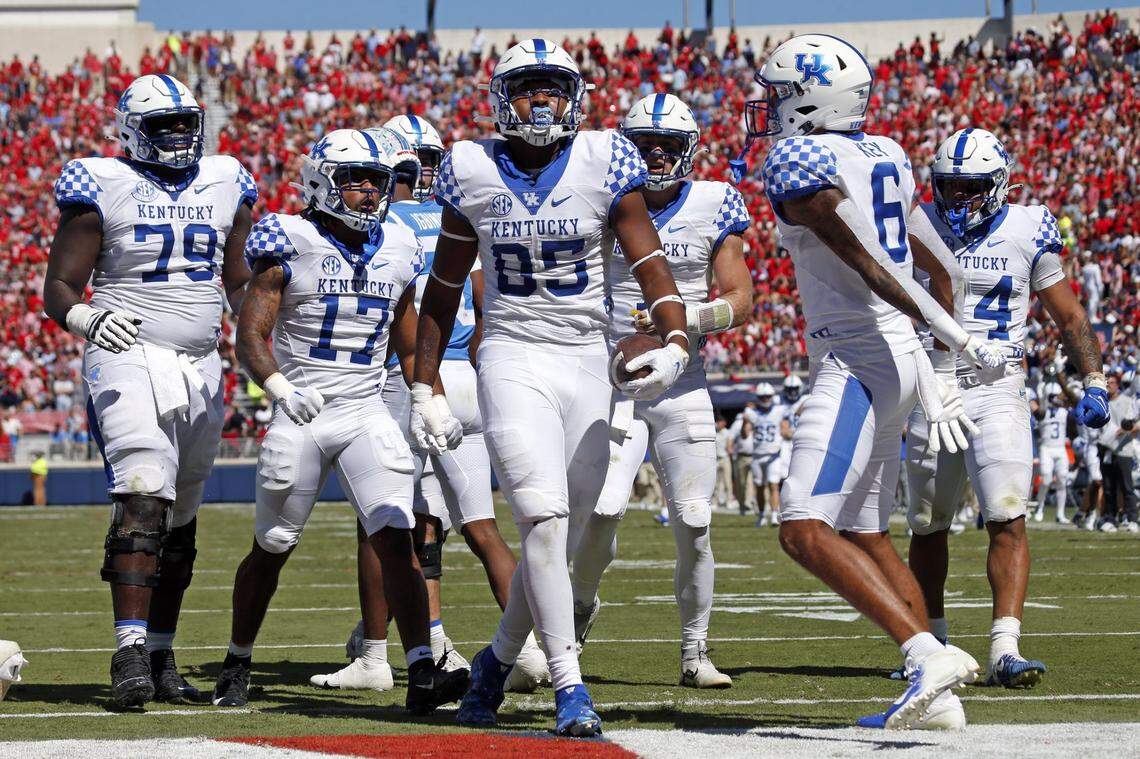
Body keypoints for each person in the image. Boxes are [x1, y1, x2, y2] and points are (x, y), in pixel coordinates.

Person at [414, 39, 690, 737]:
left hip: (583, 356)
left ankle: (495, 659)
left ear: (576, 96)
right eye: (528, 87)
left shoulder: (605, 159)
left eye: (553, 87)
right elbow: (444, 288)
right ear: (504, 98)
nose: (542, 100)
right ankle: (570, 684)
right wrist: (425, 386)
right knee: (540, 516)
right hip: (510, 353)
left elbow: (649, 260)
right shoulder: (469, 167)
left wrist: (677, 341)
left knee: (564, 536)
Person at [741, 34, 1009, 729]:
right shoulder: (886, 151)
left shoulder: (800, 158)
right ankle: (941, 696)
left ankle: (926, 654)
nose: (768, 110)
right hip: (895, 357)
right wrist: (938, 360)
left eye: (778, 95)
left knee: (801, 525)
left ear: (809, 97)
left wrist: (951, 341)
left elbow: (867, 262)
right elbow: (933, 261)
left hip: (855, 356)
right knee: (868, 533)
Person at [210, 129, 466, 715]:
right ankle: (237, 658)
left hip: (364, 408)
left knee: (395, 534)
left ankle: (422, 669)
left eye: (376, 180)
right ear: (322, 180)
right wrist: (277, 385)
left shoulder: (399, 244)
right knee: (273, 546)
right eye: (354, 179)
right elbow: (250, 333)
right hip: (303, 409)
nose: (367, 192)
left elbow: (408, 343)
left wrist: (430, 397)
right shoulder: (290, 237)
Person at [43, 74, 256, 708]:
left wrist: (269, 327)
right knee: (142, 494)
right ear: (133, 129)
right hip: (127, 354)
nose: (177, 136)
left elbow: (239, 280)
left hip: (200, 362)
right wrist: (86, 317)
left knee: (183, 517)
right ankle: (129, 653)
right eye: (162, 125)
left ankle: (162, 653)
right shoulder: (101, 183)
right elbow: (59, 285)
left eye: (183, 123)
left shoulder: (225, 179)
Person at [320, 118, 549, 694]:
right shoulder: (456, 212)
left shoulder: (380, 219)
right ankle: (534, 648)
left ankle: (376, 656)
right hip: (469, 376)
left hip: (414, 375)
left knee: (384, 523)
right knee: (480, 526)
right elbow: (477, 294)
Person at [904, 128, 1110, 690]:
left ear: (997, 185)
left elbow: (1068, 317)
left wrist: (1093, 379)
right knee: (928, 525)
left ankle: (1004, 649)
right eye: (950, 187)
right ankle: (933, 647)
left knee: (1008, 515)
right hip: (933, 388)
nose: (958, 199)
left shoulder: (1027, 226)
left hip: (997, 387)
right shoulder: (917, 221)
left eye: (971, 187)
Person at [570, 93, 753, 688]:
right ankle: (573, 625)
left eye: (667, 145)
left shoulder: (713, 202)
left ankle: (696, 651)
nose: (654, 156)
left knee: (695, 520)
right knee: (600, 512)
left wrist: (682, 322)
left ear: (688, 150)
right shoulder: (600, 198)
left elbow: (741, 298)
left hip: (682, 380)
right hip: (611, 382)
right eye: (643, 145)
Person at [1098, 373, 1138, 531]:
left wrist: (1122, 430)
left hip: (1123, 449)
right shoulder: (1102, 403)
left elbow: (1133, 422)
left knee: (1127, 486)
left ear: (1118, 385)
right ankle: (1111, 518)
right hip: (1107, 449)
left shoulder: (1127, 402)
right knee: (1108, 486)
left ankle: (1133, 519)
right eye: (1107, 383)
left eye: (1113, 383)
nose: (1110, 385)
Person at [1033, 383, 1073, 524]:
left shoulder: (1064, 412)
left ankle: (1060, 514)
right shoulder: (1042, 413)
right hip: (1046, 448)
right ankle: (1040, 506)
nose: (1056, 399)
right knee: (1046, 479)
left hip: (1060, 448)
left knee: (1062, 480)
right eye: (1053, 396)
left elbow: (1072, 401)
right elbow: (1036, 411)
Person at [748, 382, 784, 525]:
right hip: (757, 455)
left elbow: (787, 425)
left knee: (773, 484)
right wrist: (746, 423)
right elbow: (745, 434)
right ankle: (762, 515)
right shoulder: (751, 413)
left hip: (773, 454)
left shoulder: (779, 410)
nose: (765, 399)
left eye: (767, 396)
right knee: (759, 487)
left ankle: (774, 514)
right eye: (762, 397)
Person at [714, 416, 734, 509]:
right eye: (717, 421)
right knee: (716, 482)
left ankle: (729, 500)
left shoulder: (728, 433)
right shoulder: (714, 432)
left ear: (724, 423)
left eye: (720, 421)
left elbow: (730, 446)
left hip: (725, 458)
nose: (718, 423)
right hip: (716, 459)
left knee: (727, 481)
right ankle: (715, 501)